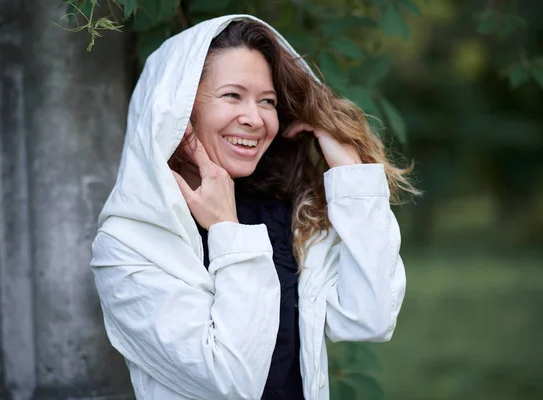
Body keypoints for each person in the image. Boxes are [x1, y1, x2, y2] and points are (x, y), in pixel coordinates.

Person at [91, 14, 416, 400]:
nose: (254, 118)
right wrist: (228, 230)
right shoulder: (129, 242)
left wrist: (350, 174)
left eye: (268, 102)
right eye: (232, 95)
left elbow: (370, 318)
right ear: (177, 108)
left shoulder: (284, 215)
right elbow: (232, 381)